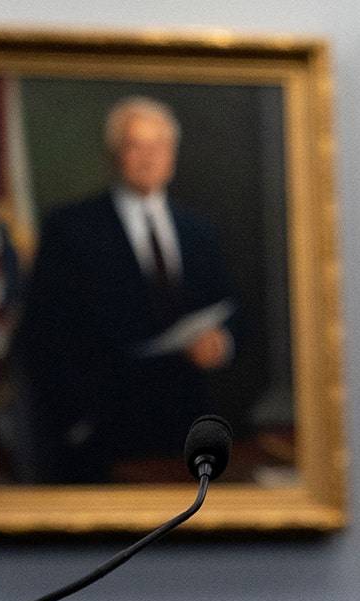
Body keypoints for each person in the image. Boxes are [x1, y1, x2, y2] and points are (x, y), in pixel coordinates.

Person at [13, 95, 237, 484]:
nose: (149, 157)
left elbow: (237, 314)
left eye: (160, 146)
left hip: (188, 432)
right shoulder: (70, 229)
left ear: (172, 155)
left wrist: (222, 343)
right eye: (136, 145)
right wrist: (77, 425)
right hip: (103, 435)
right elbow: (41, 335)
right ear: (114, 154)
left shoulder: (200, 230)